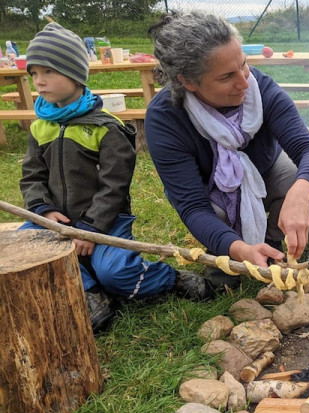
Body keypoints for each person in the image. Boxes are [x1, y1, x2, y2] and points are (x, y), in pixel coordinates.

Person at [18, 23, 208, 333]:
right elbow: (31, 175)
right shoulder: (41, 127)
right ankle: (92, 293)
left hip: (105, 221)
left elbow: (114, 187)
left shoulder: (108, 129)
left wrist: (90, 231)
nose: (39, 81)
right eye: (34, 73)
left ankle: (169, 278)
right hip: (57, 221)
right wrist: (43, 210)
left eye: (48, 72)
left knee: (116, 273)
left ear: (76, 74)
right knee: (25, 245)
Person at [145, 12, 309, 285]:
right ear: (188, 82)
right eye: (226, 76)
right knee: (215, 215)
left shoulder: (260, 87)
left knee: (308, 183)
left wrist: (300, 196)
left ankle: (271, 240)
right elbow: (194, 207)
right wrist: (239, 249)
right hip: (212, 190)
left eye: (243, 64)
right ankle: (232, 245)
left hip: (267, 169)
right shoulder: (165, 119)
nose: (245, 82)